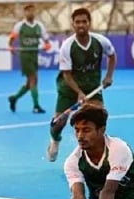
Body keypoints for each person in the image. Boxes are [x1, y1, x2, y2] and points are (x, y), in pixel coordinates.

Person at [47, 7, 117, 162]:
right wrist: (78, 92)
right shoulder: (67, 46)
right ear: (73, 24)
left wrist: (108, 76)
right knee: (58, 123)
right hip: (68, 87)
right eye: (77, 22)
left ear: (89, 23)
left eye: (84, 21)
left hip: (92, 87)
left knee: (98, 119)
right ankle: (55, 140)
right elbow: (67, 74)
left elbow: (112, 55)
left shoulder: (100, 41)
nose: (81, 25)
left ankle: (93, 156)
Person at [7, 4, 51, 114]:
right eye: (28, 11)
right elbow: (12, 38)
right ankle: (36, 106)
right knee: (34, 79)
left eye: (32, 11)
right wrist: (11, 46)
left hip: (34, 55)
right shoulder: (20, 25)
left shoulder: (39, 26)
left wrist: (47, 45)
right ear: (24, 13)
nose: (30, 13)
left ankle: (14, 98)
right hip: (25, 55)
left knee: (29, 83)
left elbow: (46, 41)